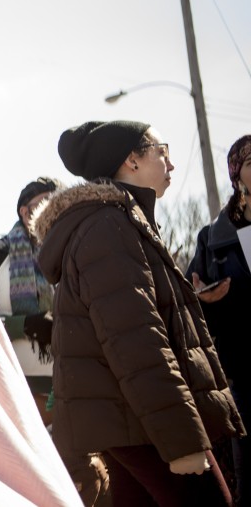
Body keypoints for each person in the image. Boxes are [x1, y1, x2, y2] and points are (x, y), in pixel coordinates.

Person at [34, 119, 244, 506]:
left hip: (131, 419)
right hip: (140, 421)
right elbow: (137, 342)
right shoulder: (108, 228)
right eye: (162, 151)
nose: (172, 164)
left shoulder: (119, 222)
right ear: (131, 160)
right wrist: (182, 442)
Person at [188, 134, 251, 506]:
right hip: (244, 375)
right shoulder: (212, 239)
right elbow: (194, 313)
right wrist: (206, 301)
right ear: (236, 175)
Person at [0, 176, 63, 422]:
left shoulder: (70, 257)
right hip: (13, 390)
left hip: (66, 391)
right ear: (25, 212)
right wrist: (25, 325)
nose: (54, 212)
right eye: (46, 203)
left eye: (59, 205)